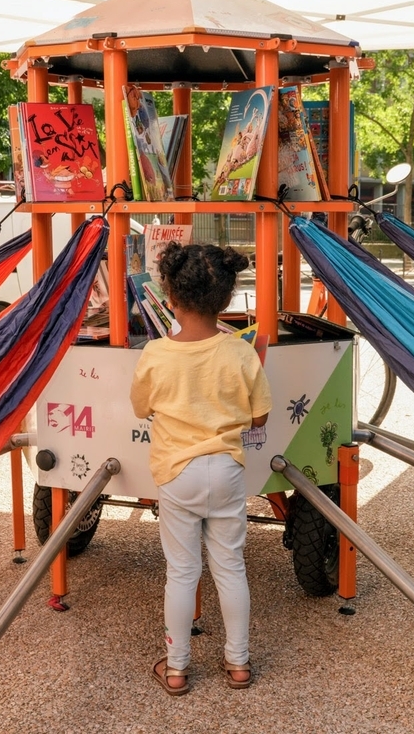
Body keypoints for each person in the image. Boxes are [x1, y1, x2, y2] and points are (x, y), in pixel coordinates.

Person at [129, 242, 272, 695]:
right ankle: (239, 664)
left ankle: (176, 668)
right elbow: (261, 416)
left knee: (182, 572)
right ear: (226, 299)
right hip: (227, 470)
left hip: (177, 473)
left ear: (168, 297)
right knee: (230, 567)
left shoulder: (155, 354)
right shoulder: (241, 353)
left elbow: (139, 408)